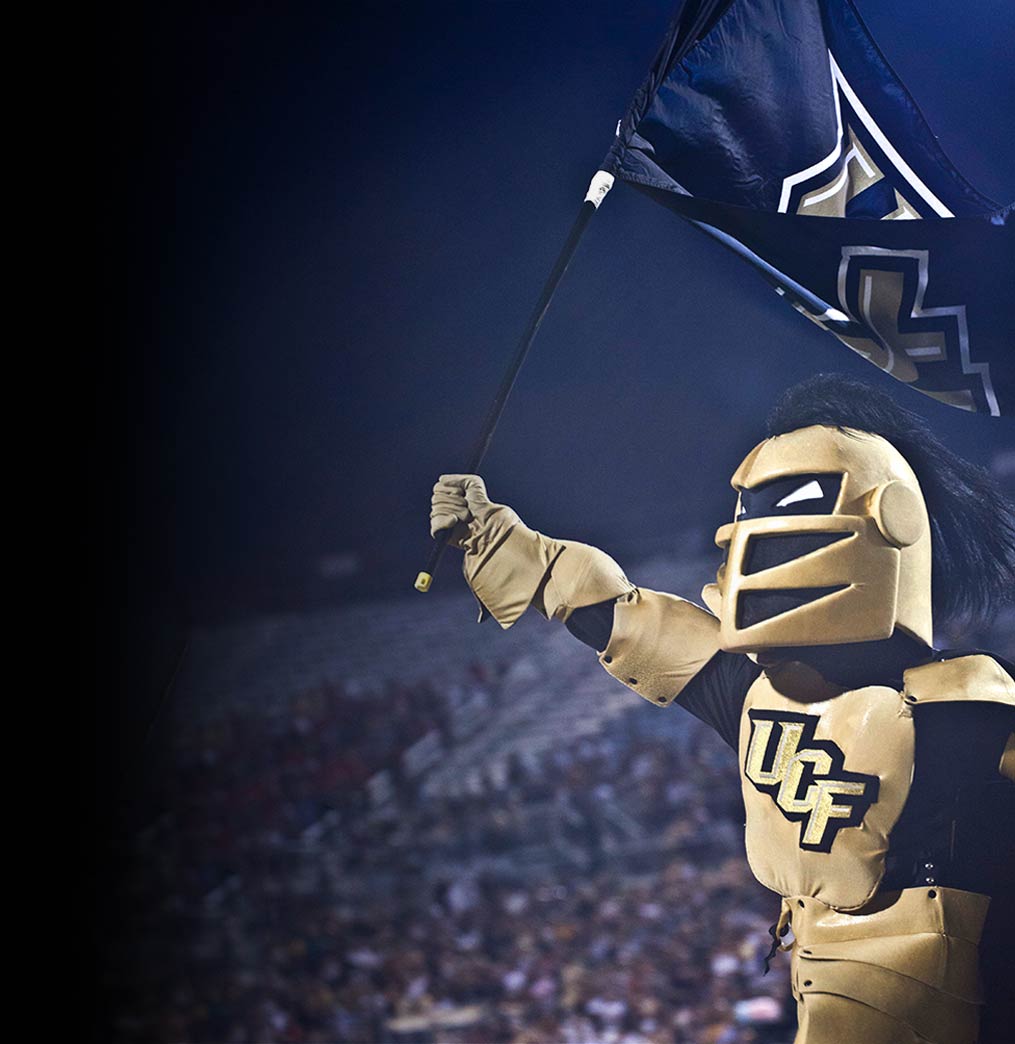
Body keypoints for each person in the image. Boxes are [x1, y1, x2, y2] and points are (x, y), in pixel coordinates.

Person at [429, 374, 1015, 1044]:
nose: (753, 536)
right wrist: (491, 533)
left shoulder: (963, 706)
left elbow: (607, 611)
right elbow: (611, 610)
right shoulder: (759, 691)